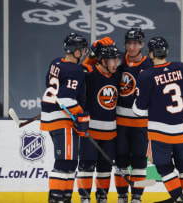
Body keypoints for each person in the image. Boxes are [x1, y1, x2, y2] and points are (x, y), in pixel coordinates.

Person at [132, 36, 183, 203]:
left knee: (165, 167)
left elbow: (138, 111)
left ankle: (178, 198)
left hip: (160, 134)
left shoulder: (146, 76)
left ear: (151, 53)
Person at [40, 32, 90, 203]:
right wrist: (80, 115)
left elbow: (52, 87)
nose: (83, 53)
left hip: (52, 117)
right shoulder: (74, 70)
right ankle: (55, 200)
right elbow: (66, 98)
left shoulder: (56, 62)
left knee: (70, 163)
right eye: (82, 50)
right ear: (76, 52)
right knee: (64, 161)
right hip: (62, 120)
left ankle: (65, 199)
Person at [77, 42, 122, 203]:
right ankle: (84, 199)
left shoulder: (116, 74)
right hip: (89, 133)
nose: (116, 63)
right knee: (86, 167)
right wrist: (91, 55)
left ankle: (102, 198)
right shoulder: (89, 72)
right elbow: (80, 70)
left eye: (117, 60)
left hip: (110, 134)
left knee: (105, 168)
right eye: (113, 60)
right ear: (103, 61)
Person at [115, 27, 153, 203]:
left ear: (142, 44)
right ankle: (122, 196)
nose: (132, 47)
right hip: (120, 123)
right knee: (121, 161)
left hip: (141, 124)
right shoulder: (118, 60)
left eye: (136, 43)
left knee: (139, 162)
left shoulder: (149, 65)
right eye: (129, 43)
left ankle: (137, 198)